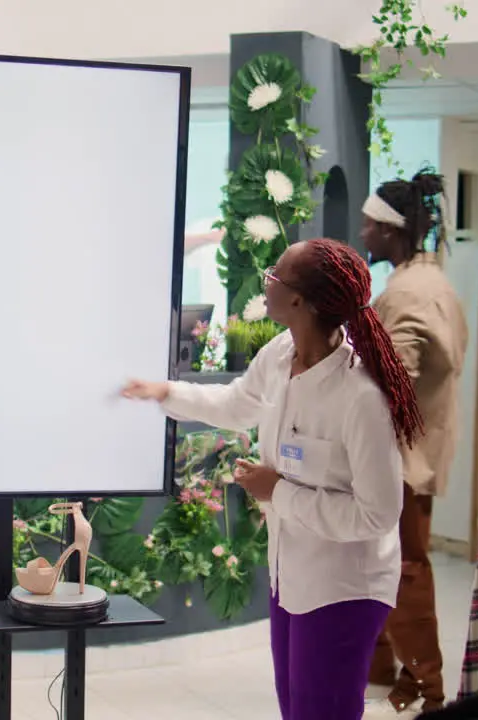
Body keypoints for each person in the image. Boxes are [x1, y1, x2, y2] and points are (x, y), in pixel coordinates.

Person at [123, 238, 423, 720]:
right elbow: (238, 405)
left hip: (344, 587)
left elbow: (378, 513)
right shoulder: (283, 353)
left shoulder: (359, 398)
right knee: (296, 708)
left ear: (300, 301)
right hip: (293, 575)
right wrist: (165, 392)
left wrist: (277, 491)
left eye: (275, 274)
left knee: (321, 712)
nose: (267, 280)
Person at [361, 171, 468, 719]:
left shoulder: (404, 292)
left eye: (369, 226)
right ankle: (385, 672)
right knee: (394, 566)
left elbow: (394, 380)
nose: (362, 233)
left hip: (399, 459)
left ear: (389, 229)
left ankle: (429, 688)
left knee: (400, 569)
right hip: (423, 449)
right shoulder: (436, 283)